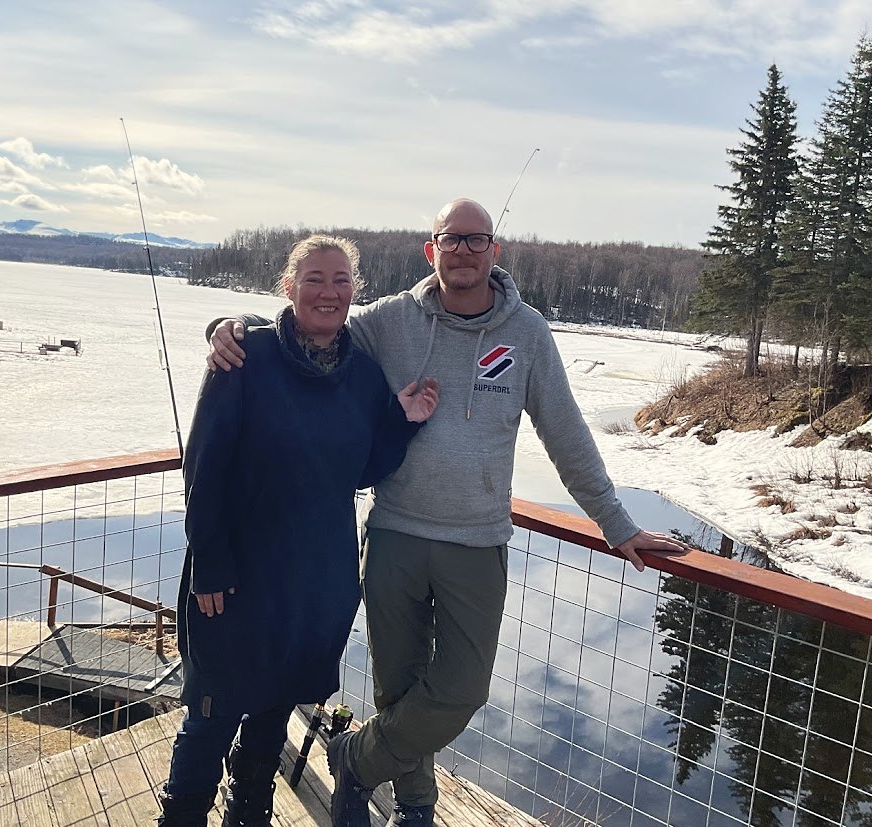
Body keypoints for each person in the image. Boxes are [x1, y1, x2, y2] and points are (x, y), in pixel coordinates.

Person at [206, 199, 688, 827]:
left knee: (461, 691)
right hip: (396, 533)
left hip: (476, 540)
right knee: (397, 689)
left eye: (476, 239)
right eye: (450, 239)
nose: (463, 250)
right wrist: (229, 322)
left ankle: (356, 759)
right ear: (430, 251)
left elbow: (566, 434)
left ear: (496, 250)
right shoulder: (390, 321)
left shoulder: (528, 333)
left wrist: (616, 523)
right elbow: (313, 324)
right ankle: (415, 806)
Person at [159, 234, 439, 827]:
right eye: (314, 278)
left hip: (315, 582)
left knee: (269, 720)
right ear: (289, 287)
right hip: (234, 576)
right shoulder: (245, 358)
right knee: (212, 715)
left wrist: (403, 425)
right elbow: (203, 468)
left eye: (341, 280)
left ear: (354, 292)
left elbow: (359, 471)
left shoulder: (363, 376)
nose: (329, 292)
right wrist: (209, 562)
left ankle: (250, 815)